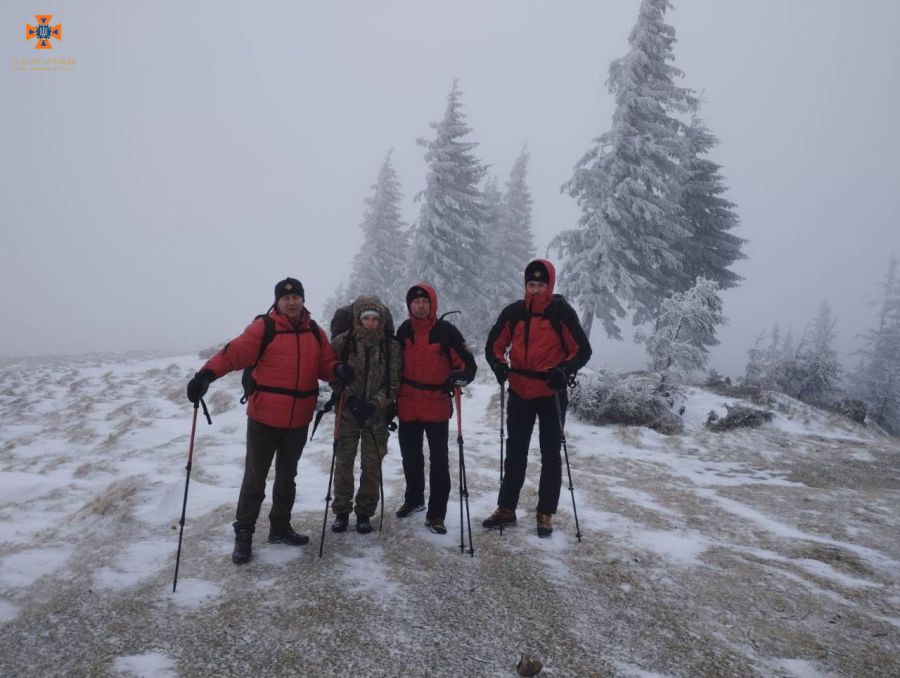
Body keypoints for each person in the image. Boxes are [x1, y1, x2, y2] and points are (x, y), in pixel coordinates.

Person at [186, 277, 354, 564]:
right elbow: (234, 353)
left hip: (298, 418)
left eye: (296, 297)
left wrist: (337, 370)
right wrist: (206, 375)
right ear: (278, 301)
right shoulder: (264, 327)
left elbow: (324, 364)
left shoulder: (315, 331)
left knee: (288, 478)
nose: (291, 302)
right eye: (286, 298)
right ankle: (244, 532)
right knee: (255, 478)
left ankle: (280, 527)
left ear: (303, 299)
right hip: (264, 417)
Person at [483, 259, 592, 537]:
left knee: (550, 454)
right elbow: (494, 345)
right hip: (520, 391)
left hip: (551, 393)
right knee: (515, 453)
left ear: (550, 285)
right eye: (531, 285)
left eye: (540, 285)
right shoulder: (514, 312)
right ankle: (506, 509)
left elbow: (581, 349)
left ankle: (545, 513)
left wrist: (564, 370)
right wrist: (498, 365)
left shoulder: (561, 313)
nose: (535, 290)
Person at [394, 284, 477, 534]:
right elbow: (394, 366)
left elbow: (468, 367)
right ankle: (414, 499)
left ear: (433, 304)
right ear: (409, 306)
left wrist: (456, 379)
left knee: (439, 461)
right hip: (408, 403)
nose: (420, 306)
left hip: (436, 404)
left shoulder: (446, 331)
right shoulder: (404, 330)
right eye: (416, 302)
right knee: (410, 457)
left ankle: (436, 513)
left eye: (425, 301)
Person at [329, 296, 401, 534]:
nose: (370, 323)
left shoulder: (391, 347)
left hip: (377, 417)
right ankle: (341, 511)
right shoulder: (343, 342)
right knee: (344, 464)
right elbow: (332, 375)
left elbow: (393, 384)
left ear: (381, 321)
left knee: (372, 466)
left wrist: (374, 404)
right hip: (347, 413)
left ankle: (364, 513)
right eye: (366, 318)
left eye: (375, 319)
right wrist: (349, 398)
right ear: (358, 319)